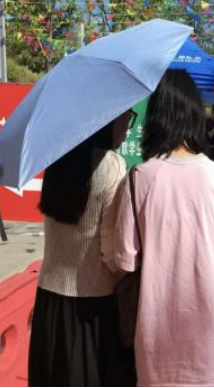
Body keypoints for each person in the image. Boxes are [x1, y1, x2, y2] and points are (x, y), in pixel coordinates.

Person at [112, 70, 214, 387]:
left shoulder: (140, 178)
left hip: (155, 345)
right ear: (194, 115)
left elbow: (124, 259)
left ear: (155, 118)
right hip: (209, 346)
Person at [29, 112, 136, 386]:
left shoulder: (57, 160)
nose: (128, 125)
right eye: (127, 117)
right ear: (107, 120)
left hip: (49, 301)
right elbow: (112, 253)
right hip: (93, 307)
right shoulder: (111, 166)